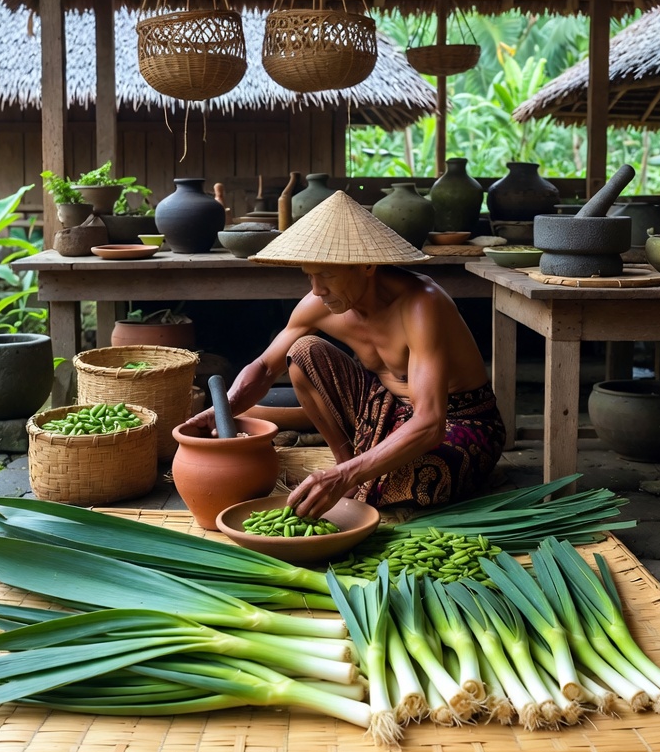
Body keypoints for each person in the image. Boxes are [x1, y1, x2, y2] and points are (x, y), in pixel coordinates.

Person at [190, 191, 505, 519]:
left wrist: (345, 478)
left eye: (326, 274)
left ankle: (347, 474)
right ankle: (346, 463)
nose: (316, 289)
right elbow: (266, 367)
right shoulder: (320, 303)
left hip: (460, 419)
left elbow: (429, 423)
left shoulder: (421, 305)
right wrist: (222, 408)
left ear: (367, 264)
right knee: (301, 353)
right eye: (309, 275)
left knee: (411, 480)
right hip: (386, 408)